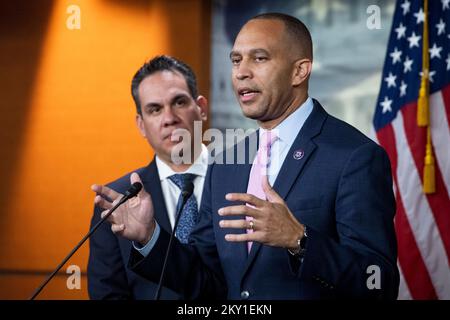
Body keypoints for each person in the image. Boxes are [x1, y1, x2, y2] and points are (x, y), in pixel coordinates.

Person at [93, 13, 399, 299]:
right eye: (236, 60)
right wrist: (149, 237)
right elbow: (206, 280)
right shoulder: (228, 162)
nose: (241, 72)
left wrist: (300, 241)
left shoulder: (355, 156)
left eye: (260, 58)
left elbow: (379, 283)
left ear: (299, 71)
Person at [88, 55, 209, 299]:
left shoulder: (243, 181)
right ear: (141, 125)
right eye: (155, 109)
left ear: (201, 109)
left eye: (179, 102)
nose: (169, 118)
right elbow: (108, 294)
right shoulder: (117, 201)